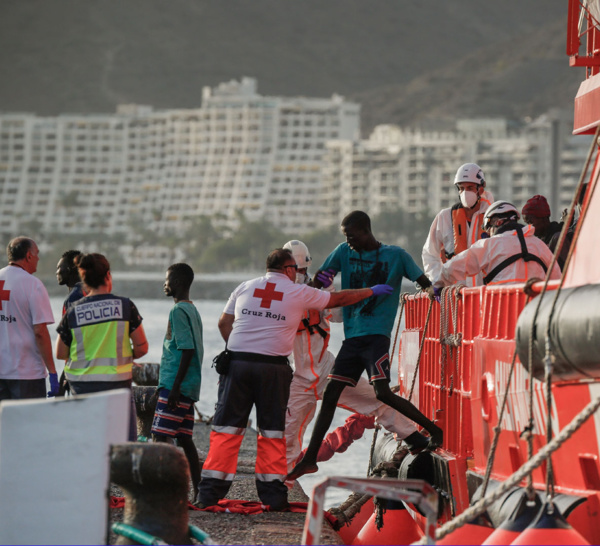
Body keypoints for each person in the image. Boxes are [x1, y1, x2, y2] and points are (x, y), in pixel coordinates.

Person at [195, 248, 393, 511]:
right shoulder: (296, 291)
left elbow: (224, 323)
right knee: (273, 433)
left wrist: (242, 349)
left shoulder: (245, 286)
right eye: (297, 270)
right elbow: (337, 300)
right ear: (289, 270)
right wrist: (371, 291)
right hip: (272, 370)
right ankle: (273, 496)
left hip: (237, 365)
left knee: (227, 431)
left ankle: (208, 495)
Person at [286, 211, 442, 482]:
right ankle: (301, 465)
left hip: (361, 345)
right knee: (315, 409)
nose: (348, 242)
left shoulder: (396, 255)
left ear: (365, 231)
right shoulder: (336, 258)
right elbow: (316, 290)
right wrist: (318, 285)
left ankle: (427, 433)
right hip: (333, 354)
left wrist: (433, 293)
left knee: (380, 394)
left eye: (351, 235)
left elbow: (423, 282)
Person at [55, 253, 149, 440]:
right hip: (117, 386)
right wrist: (125, 354)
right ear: (108, 276)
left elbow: (60, 353)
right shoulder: (125, 306)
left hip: (81, 388)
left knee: (86, 443)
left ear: (84, 279)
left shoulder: (73, 311)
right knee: (121, 443)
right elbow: (142, 347)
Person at [151, 263, 203, 500]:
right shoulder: (193, 310)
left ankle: (163, 491)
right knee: (184, 439)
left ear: (179, 284)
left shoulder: (178, 312)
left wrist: (174, 389)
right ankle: (199, 490)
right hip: (189, 387)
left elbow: (187, 349)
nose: (165, 284)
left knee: (160, 436)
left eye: (168, 280)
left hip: (176, 386)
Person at [433, 201, 562, 288]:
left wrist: (438, 284)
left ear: (497, 223)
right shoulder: (540, 245)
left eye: (488, 229)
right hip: (534, 315)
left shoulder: (490, 245)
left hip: (498, 317)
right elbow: (557, 278)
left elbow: (454, 266)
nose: (488, 234)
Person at [0, 236, 58, 401]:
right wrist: (52, 372)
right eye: (37, 253)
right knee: (28, 425)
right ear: (28, 256)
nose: (38, 258)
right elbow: (40, 331)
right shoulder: (33, 285)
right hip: (26, 373)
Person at [422, 163, 493, 286]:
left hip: (485, 295)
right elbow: (430, 254)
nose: (465, 192)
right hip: (454, 296)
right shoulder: (445, 217)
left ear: (481, 189)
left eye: (470, 188)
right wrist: (438, 282)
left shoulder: (493, 217)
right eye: (461, 188)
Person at [56, 249, 87, 396]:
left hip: (78, 372)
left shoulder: (73, 298)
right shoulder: (88, 291)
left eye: (59, 268)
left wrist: (64, 377)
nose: (57, 272)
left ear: (70, 269)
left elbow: (73, 341)